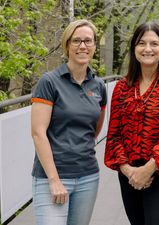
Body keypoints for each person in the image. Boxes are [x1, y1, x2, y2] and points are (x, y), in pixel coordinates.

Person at [104, 22, 159, 225]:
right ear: (134, 48)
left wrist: (148, 169)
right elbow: (114, 135)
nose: (147, 49)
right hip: (129, 177)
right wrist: (129, 171)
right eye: (141, 43)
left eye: (154, 43)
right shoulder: (122, 88)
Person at [31, 19, 107, 225]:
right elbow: (38, 133)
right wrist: (54, 180)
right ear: (67, 45)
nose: (82, 46)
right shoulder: (49, 82)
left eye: (88, 41)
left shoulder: (99, 86)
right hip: (52, 177)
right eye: (76, 41)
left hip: (88, 176)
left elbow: (94, 129)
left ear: (94, 46)